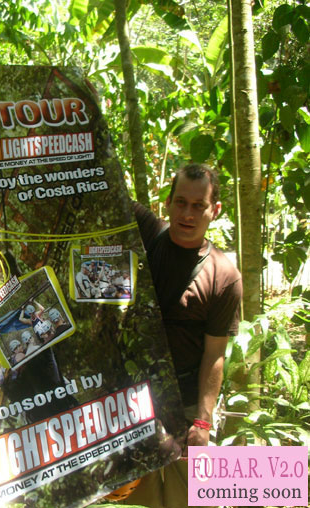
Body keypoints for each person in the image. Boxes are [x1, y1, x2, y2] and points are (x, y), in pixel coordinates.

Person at [124, 163, 242, 508]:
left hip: (186, 403)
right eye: (180, 202)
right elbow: (104, 186)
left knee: (188, 499)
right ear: (168, 202)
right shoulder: (151, 233)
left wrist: (203, 420)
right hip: (136, 400)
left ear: (214, 210)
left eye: (198, 205)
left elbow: (214, 354)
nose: (187, 213)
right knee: (136, 498)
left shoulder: (224, 275)